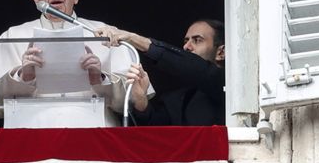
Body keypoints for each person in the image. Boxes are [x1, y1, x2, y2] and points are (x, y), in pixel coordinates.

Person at [0, 0, 146, 125]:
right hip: (31, 137)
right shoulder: (12, 36)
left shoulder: (106, 34)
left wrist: (99, 79)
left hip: (95, 138)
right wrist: (23, 77)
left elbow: (134, 103)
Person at [95, 20, 225, 126]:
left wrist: (133, 38)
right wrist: (141, 101)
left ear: (221, 52)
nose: (186, 47)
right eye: (186, 41)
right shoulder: (179, 97)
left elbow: (197, 69)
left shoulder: (229, 86)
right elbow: (156, 129)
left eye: (197, 40)